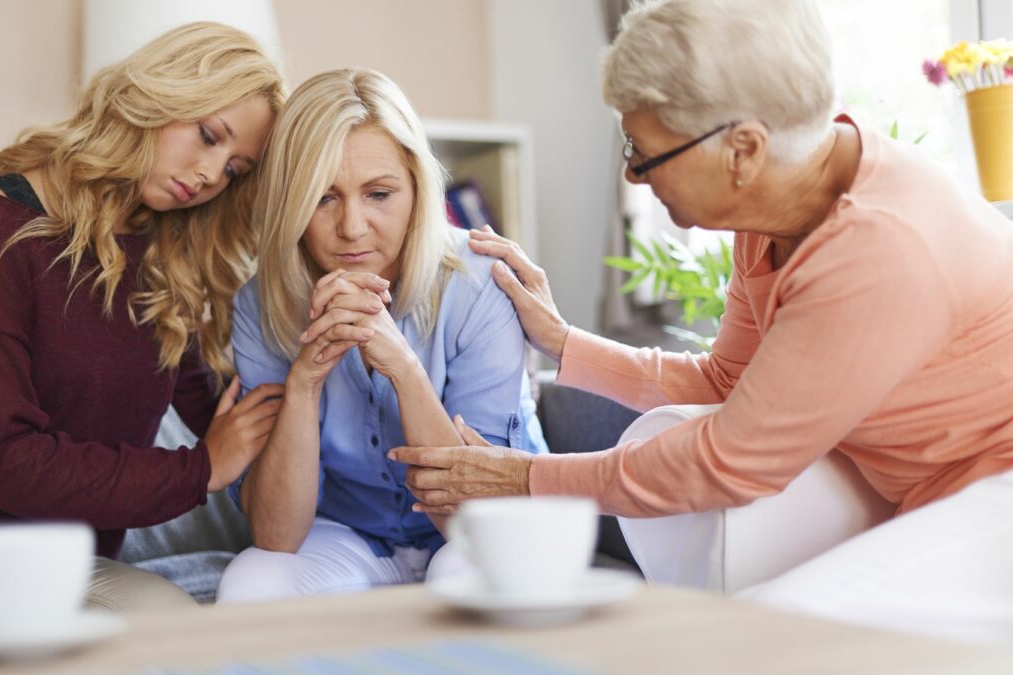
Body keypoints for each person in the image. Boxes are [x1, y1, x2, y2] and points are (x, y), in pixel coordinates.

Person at [390, 0, 1013, 639]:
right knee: (669, 461)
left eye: (647, 153)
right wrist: (563, 342)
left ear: (743, 150)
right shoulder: (777, 210)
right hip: (926, 484)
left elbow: (729, 461)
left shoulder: (878, 249)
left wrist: (523, 479)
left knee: (777, 628)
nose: (632, 172)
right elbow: (727, 384)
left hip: (999, 492)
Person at [0, 22, 287, 617]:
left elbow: (224, 411)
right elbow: (5, 463)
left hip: (73, 560)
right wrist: (200, 470)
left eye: (234, 169)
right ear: (158, 96)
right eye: (208, 135)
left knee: (176, 631)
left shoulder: (163, 260)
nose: (208, 174)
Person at [215, 68, 547, 602]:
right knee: (252, 582)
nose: (351, 227)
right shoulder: (261, 302)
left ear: (417, 189)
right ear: (291, 202)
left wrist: (404, 368)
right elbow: (276, 535)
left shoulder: (482, 283)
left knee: (471, 577)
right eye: (323, 198)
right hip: (352, 535)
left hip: (481, 530)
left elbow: (478, 524)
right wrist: (304, 381)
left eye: (378, 193)